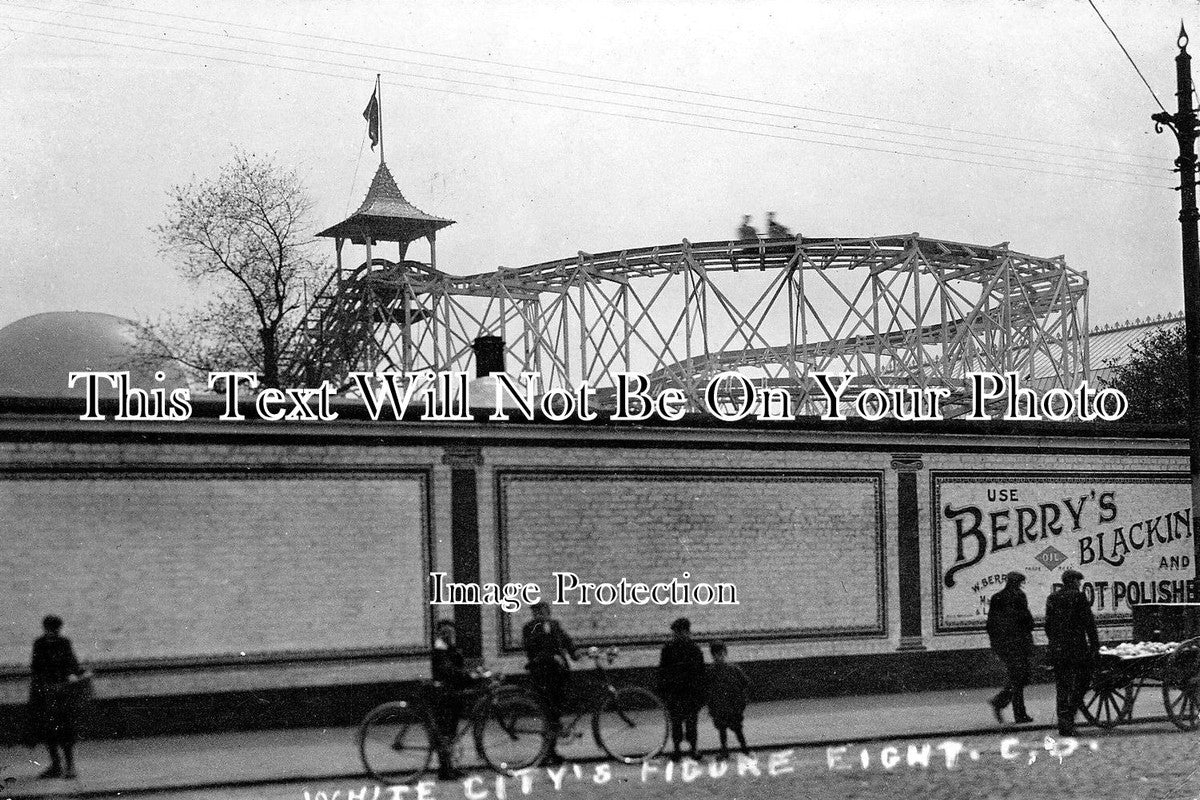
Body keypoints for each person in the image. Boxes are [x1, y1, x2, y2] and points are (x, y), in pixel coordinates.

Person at [28, 615, 86, 780]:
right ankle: (56, 765)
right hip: (46, 693)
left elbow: (72, 664)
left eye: (55, 630)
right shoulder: (39, 644)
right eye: (50, 629)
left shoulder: (63, 643)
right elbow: (36, 668)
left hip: (61, 693)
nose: (52, 632)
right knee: (49, 732)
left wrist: (78, 673)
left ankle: (69, 766)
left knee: (65, 731)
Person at [1044, 569, 1099, 736]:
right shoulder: (1079, 597)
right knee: (1083, 681)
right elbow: (1089, 623)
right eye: (1078, 581)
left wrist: (1055, 642)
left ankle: (1064, 724)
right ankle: (1071, 715)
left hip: (1059, 649)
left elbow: (1048, 626)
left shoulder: (1052, 598)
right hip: (1077, 648)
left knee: (1062, 686)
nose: (1080, 584)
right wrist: (1095, 646)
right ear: (1073, 581)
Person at [522, 601, 577, 765]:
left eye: (543, 612)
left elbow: (566, 640)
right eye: (537, 612)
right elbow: (531, 649)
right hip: (542, 674)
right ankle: (546, 753)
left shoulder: (554, 625)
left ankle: (552, 751)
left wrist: (575, 652)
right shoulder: (529, 628)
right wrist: (550, 656)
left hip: (559, 674)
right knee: (548, 713)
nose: (540, 615)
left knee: (556, 712)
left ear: (548, 612)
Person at [986, 571, 1035, 725]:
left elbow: (991, 624)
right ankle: (1017, 713)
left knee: (1018, 677)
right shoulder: (1019, 596)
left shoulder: (997, 597)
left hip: (1004, 645)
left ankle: (1002, 703)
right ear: (1017, 583)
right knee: (1021, 677)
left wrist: (996, 644)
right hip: (1018, 643)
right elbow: (1027, 620)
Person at [658, 617, 706, 761]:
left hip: (686, 693)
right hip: (678, 693)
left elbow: (700, 673)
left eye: (678, 632)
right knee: (679, 724)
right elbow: (663, 672)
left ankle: (687, 750)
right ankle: (683, 750)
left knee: (687, 724)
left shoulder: (678, 649)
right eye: (676, 633)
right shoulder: (692, 649)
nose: (677, 635)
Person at [430, 619, 472, 780]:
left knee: (451, 733)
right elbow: (449, 670)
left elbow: (457, 666)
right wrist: (469, 676)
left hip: (452, 695)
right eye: (445, 632)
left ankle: (450, 766)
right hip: (443, 696)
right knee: (446, 733)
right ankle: (445, 770)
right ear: (440, 634)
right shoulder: (440, 649)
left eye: (450, 632)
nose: (448, 635)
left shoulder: (448, 647)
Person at [705, 640, 750, 759]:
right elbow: (745, 682)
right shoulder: (732, 668)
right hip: (729, 705)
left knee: (729, 729)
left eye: (720, 654)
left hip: (725, 705)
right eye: (717, 654)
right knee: (730, 729)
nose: (719, 657)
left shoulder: (712, 671)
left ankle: (737, 749)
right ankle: (742, 749)